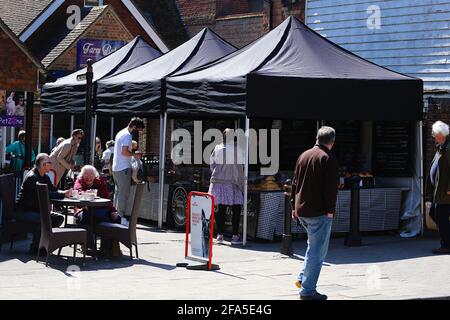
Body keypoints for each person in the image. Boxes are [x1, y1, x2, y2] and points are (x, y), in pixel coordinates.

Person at [290, 126, 339, 300]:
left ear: (317, 138)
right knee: (318, 252)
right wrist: (330, 210)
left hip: (302, 209)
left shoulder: (303, 156)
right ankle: (307, 290)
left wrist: (293, 207)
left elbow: (294, 184)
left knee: (313, 247)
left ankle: (303, 278)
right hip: (318, 212)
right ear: (332, 142)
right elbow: (330, 189)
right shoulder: (328, 158)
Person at [14, 153, 71, 254]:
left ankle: (45, 244)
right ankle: (35, 248)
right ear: (44, 165)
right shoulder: (32, 177)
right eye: (50, 162)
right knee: (43, 219)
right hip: (23, 211)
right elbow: (44, 193)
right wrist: (62, 195)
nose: (51, 164)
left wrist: (65, 192)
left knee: (59, 218)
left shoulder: (44, 176)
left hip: (36, 210)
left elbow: (53, 189)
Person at [209, 128, 244, 245]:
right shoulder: (236, 150)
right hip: (232, 182)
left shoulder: (217, 148)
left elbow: (212, 164)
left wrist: (217, 174)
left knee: (220, 209)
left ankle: (219, 235)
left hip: (218, 181)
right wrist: (241, 183)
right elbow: (240, 168)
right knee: (236, 208)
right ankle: (235, 235)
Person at [112, 117, 144, 217]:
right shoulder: (127, 135)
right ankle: (120, 217)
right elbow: (124, 152)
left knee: (118, 193)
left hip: (116, 167)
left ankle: (115, 215)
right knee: (123, 194)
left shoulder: (120, 132)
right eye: (137, 130)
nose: (137, 132)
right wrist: (135, 154)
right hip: (123, 168)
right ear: (134, 127)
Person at [427, 121, 450, 255]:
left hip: (445, 192)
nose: (432, 135)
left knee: (440, 216)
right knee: (433, 213)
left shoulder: (448, 148)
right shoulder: (440, 147)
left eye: (434, 133)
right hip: (438, 190)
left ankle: (446, 245)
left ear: (441, 134)